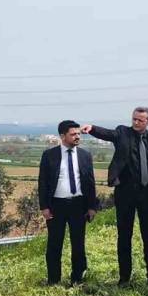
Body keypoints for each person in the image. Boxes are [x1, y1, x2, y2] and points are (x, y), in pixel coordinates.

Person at [81, 107, 148, 288]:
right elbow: (108, 134)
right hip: (126, 193)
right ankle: (124, 278)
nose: (136, 122)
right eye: (134, 119)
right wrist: (92, 128)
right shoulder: (122, 133)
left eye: (140, 120)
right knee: (124, 236)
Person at [38, 120, 100, 286]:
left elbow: (90, 182)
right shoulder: (49, 155)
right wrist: (44, 206)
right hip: (56, 206)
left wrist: (92, 206)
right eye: (73, 134)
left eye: (78, 133)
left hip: (78, 205)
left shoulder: (85, 155)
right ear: (62, 136)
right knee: (54, 244)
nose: (77, 137)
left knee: (78, 243)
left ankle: (77, 278)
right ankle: (53, 280)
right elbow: (42, 182)